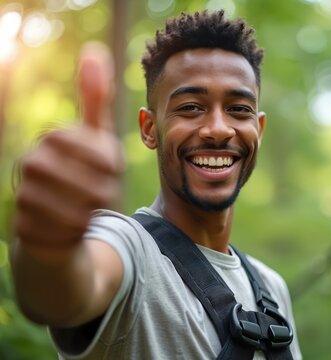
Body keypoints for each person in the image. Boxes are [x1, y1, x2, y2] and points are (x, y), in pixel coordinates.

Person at [11, 10, 302, 359]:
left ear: (260, 129)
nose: (219, 129)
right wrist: (48, 245)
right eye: (192, 107)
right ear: (150, 128)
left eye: (239, 109)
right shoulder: (129, 249)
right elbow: (59, 293)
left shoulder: (272, 289)